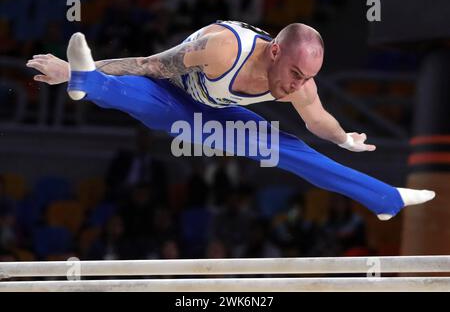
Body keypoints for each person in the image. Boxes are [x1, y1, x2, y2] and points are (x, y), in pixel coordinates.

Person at [26, 20, 435, 221]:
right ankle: (85, 78)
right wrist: (80, 69)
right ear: (274, 51)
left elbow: (316, 120)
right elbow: (149, 65)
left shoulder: (302, 84)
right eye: (295, 74)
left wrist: (343, 137)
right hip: (173, 95)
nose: (298, 87)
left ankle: (384, 199)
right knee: (143, 97)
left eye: (308, 78)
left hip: (217, 115)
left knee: (290, 148)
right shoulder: (222, 50)